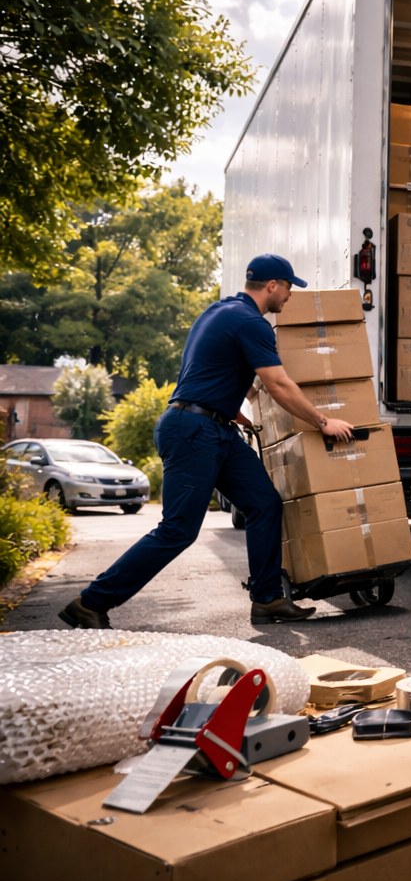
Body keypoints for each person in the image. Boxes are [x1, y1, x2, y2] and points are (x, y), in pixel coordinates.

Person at [59, 256, 356, 630]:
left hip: (212, 427)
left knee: (264, 503)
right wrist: (323, 421)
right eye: (288, 288)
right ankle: (91, 602)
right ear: (272, 286)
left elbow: (212, 367)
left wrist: (232, 406)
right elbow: (278, 384)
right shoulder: (252, 323)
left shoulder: (218, 312)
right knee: (178, 529)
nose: (289, 296)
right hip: (193, 431)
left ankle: (266, 599)